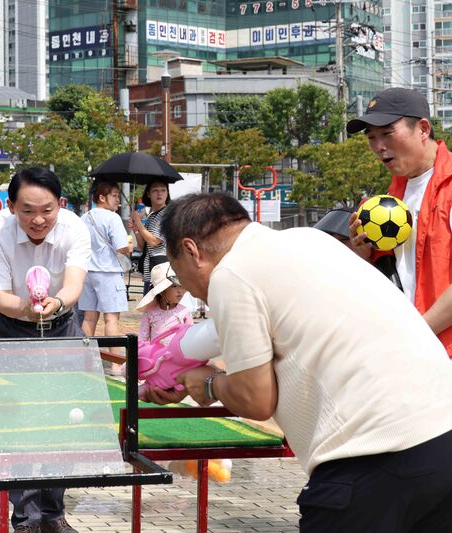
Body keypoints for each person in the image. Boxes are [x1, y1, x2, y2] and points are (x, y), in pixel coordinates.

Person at [146, 192, 452, 532]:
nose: (189, 291)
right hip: (443, 434)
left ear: (191, 250)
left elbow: (255, 399)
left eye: (179, 273)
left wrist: (207, 384)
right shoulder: (311, 240)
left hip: (372, 458)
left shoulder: (231, 274)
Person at [0, 167, 90, 533]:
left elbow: (73, 286)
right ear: (11, 207)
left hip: (61, 324)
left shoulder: (75, 228)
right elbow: (1, 297)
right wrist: (28, 309)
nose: (38, 219)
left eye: (47, 210)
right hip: (10, 325)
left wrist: (55, 304)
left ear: (61, 204)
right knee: (17, 419)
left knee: (63, 418)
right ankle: (25, 517)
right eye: (27, 210)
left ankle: (54, 513)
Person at [346, 87, 452, 357]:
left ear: (423, 129)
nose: (379, 146)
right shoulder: (391, 197)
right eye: (371, 137)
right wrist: (364, 255)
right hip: (411, 352)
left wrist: (415, 334)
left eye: (387, 133)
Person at [79, 180, 132, 344]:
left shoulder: (84, 217)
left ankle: (86, 356)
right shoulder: (112, 218)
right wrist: (130, 246)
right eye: (114, 196)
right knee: (111, 319)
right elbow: (122, 247)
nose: (117, 200)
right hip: (109, 272)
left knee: (89, 318)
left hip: (87, 272)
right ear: (102, 197)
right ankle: (114, 358)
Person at [136, 261, 191, 344]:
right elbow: (142, 339)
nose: (180, 291)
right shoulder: (150, 313)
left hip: (177, 351)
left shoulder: (184, 312)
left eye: (182, 286)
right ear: (161, 291)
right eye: (174, 286)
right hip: (156, 352)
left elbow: (190, 337)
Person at [130, 180, 170, 294]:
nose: (159, 193)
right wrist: (136, 230)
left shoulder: (167, 214)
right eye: (155, 190)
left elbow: (154, 241)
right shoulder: (152, 215)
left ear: (167, 193)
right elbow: (144, 245)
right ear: (148, 194)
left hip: (162, 271)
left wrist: (138, 221)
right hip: (150, 272)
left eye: (163, 190)